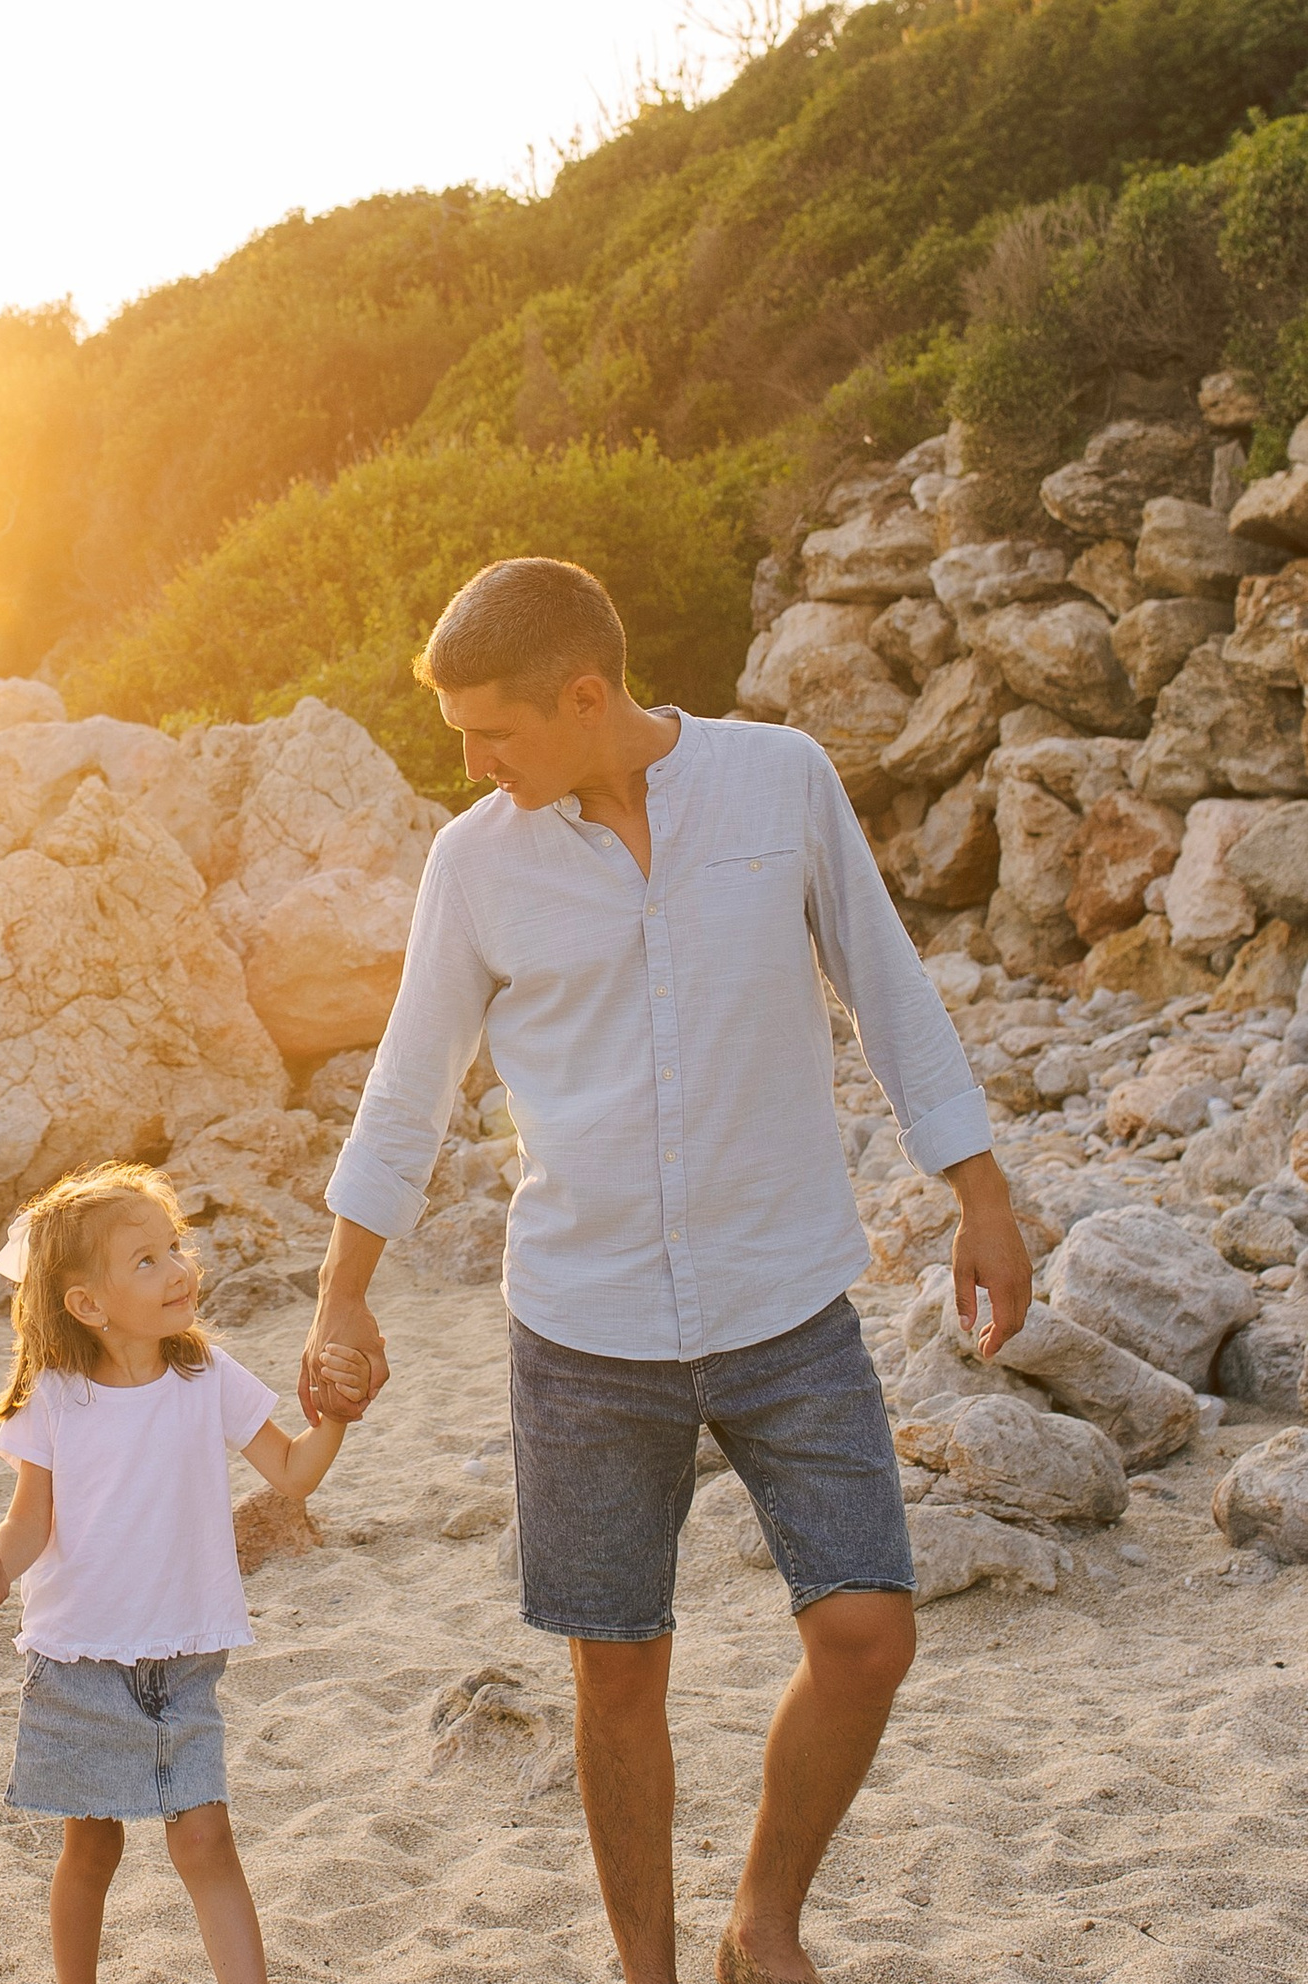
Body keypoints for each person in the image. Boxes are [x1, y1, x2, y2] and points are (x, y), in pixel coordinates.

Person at [297, 558, 1034, 1984]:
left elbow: (888, 987)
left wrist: (981, 1196)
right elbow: (407, 1091)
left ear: (588, 696)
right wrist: (342, 1291)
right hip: (583, 1329)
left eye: (491, 731)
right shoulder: (476, 864)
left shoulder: (780, 782)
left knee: (870, 1633)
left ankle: (762, 1923)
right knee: (618, 1674)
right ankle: (650, 1967)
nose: (471, 763)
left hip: (786, 1302)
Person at [0, 1162, 367, 1984]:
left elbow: (289, 1472)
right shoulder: (56, 1398)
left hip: (184, 1655)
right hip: (78, 1659)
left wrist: (337, 1420)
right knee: (92, 1844)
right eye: (146, 1260)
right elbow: (31, 1519)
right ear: (88, 1305)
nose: (179, 1268)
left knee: (205, 1838)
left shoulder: (204, 1375)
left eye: (174, 1246)